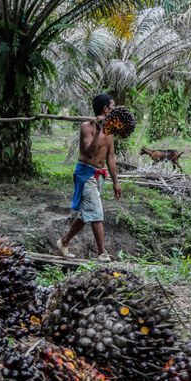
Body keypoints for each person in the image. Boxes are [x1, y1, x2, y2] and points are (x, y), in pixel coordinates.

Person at [57, 93, 122, 261]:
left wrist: (116, 182)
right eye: (113, 107)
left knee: (87, 214)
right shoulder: (88, 127)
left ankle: (64, 242)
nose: (114, 110)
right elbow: (89, 152)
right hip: (85, 173)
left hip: (99, 176)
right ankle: (102, 252)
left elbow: (111, 157)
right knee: (97, 212)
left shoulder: (110, 130)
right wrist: (98, 131)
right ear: (106, 109)